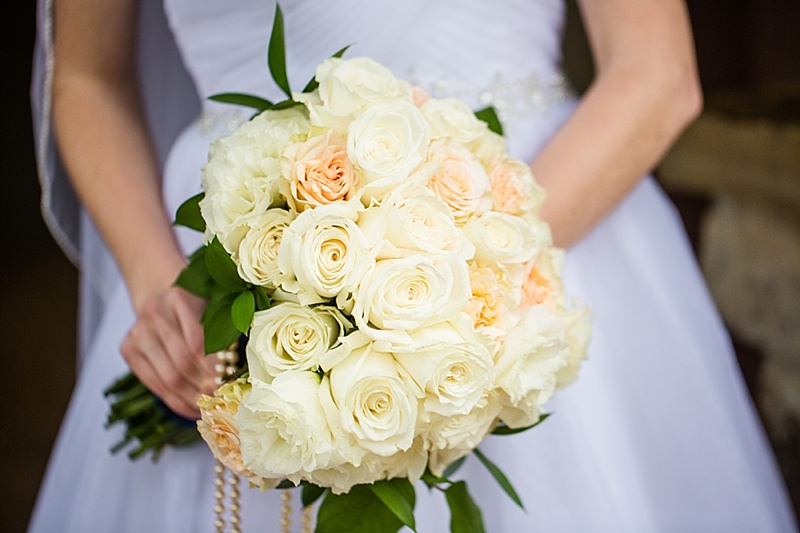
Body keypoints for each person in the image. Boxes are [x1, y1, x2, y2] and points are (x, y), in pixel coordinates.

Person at [30, 0, 798, 531]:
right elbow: (88, 76)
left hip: (540, 230)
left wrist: (445, 294)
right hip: (227, 280)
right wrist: (151, 274)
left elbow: (657, 75)